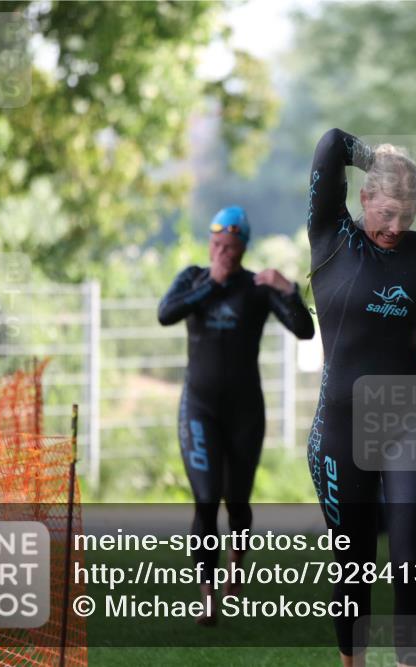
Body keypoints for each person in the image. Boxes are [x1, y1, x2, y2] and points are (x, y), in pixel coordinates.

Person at [304, 128, 416, 667]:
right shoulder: (332, 237)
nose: (396, 227)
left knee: (408, 565)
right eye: (386, 213)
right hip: (340, 433)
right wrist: (382, 159)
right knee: (353, 567)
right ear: (364, 197)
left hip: (410, 427)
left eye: (407, 215)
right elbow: (331, 144)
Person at [157, 205, 315, 625]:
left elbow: (304, 330)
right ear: (209, 244)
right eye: (216, 245)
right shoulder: (193, 278)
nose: (222, 253)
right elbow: (165, 313)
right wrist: (213, 283)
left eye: (230, 247)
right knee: (207, 500)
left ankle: (235, 569)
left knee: (238, 502)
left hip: (245, 412)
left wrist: (288, 289)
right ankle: (208, 596)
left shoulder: (257, 287)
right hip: (199, 409)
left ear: (243, 248)